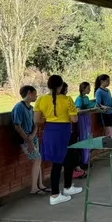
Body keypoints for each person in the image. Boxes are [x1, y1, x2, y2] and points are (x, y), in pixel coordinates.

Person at [34, 75, 81, 206]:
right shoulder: (67, 99)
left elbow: (37, 120)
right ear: (61, 86)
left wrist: (49, 119)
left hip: (49, 132)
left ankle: (67, 186)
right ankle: (55, 194)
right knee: (59, 163)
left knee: (67, 159)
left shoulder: (41, 100)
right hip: (64, 132)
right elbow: (74, 119)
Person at [11, 85, 48, 195]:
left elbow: (35, 124)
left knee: (38, 159)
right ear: (29, 93)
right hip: (25, 139)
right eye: (35, 93)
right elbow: (17, 126)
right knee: (37, 159)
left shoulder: (32, 109)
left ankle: (40, 184)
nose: (36, 96)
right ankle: (34, 188)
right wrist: (29, 140)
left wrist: (33, 135)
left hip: (32, 137)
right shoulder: (19, 107)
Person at [94, 74, 112, 139]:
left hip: (111, 112)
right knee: (108, 132)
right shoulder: (98, 91)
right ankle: (109, 146)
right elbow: (97, 104)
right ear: (102, 81)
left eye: (109, 81)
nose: (109, 83)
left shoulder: (108, 90)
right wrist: (105, 107)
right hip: (104, 114)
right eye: (107, 81)